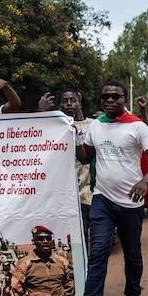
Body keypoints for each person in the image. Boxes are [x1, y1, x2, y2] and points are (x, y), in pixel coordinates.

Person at [71, 80, 148, 296]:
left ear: (124, 100)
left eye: (115, 96)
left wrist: (145, 182)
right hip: (102, 198)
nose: (109, 100)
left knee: (132, 253)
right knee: (98, 250)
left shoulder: (137, 127)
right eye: (105, 96)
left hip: (131, 203)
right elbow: (85, 156)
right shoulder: (96, 126)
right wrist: (68, 134)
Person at [57, 89, 94, 254]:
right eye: (65, 101)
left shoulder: (94, 125)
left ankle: (87, 275)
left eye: (72, 100)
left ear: (80, 101)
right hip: (62, 193)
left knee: (86, 236)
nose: (69, 104)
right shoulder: (55, 126)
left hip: (86, 192)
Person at [9, 226, 75, 296]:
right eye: (40, 239)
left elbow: (69, 283)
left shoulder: (62, 261)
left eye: (48, 239)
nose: (45, 241)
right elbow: (16, 286)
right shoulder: (25, 263)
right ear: (34, 241)